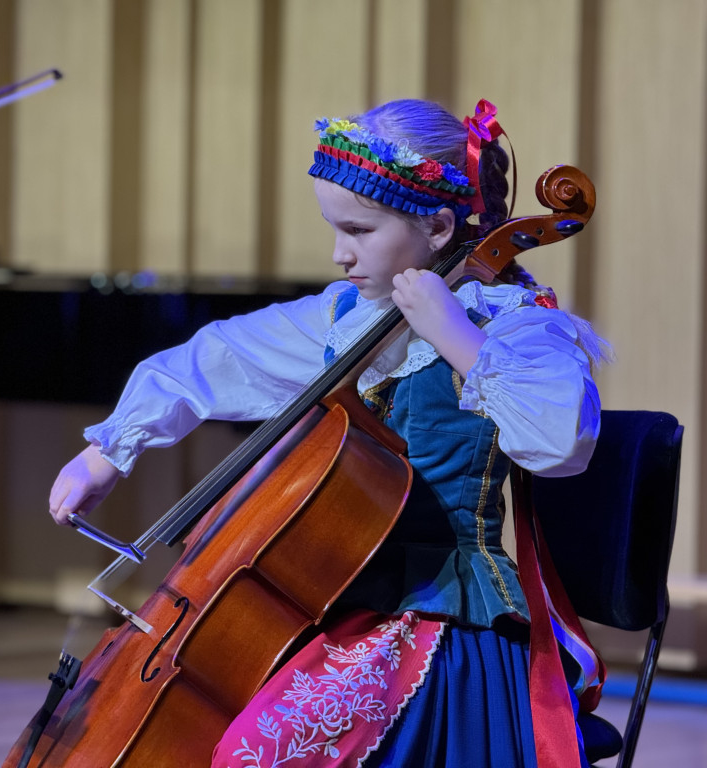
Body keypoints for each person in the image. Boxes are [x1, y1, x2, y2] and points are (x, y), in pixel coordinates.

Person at [47, 98, 610, 767]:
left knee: (258, 753)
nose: (339, 254)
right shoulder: (347, 316)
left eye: (359, 230)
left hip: (446, 620)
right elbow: (217, 355)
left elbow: (560, 441)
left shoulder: (512, 324)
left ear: (436, 226)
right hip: (340, 610)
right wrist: (108, 449)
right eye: (334, 228)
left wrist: (453, 334)